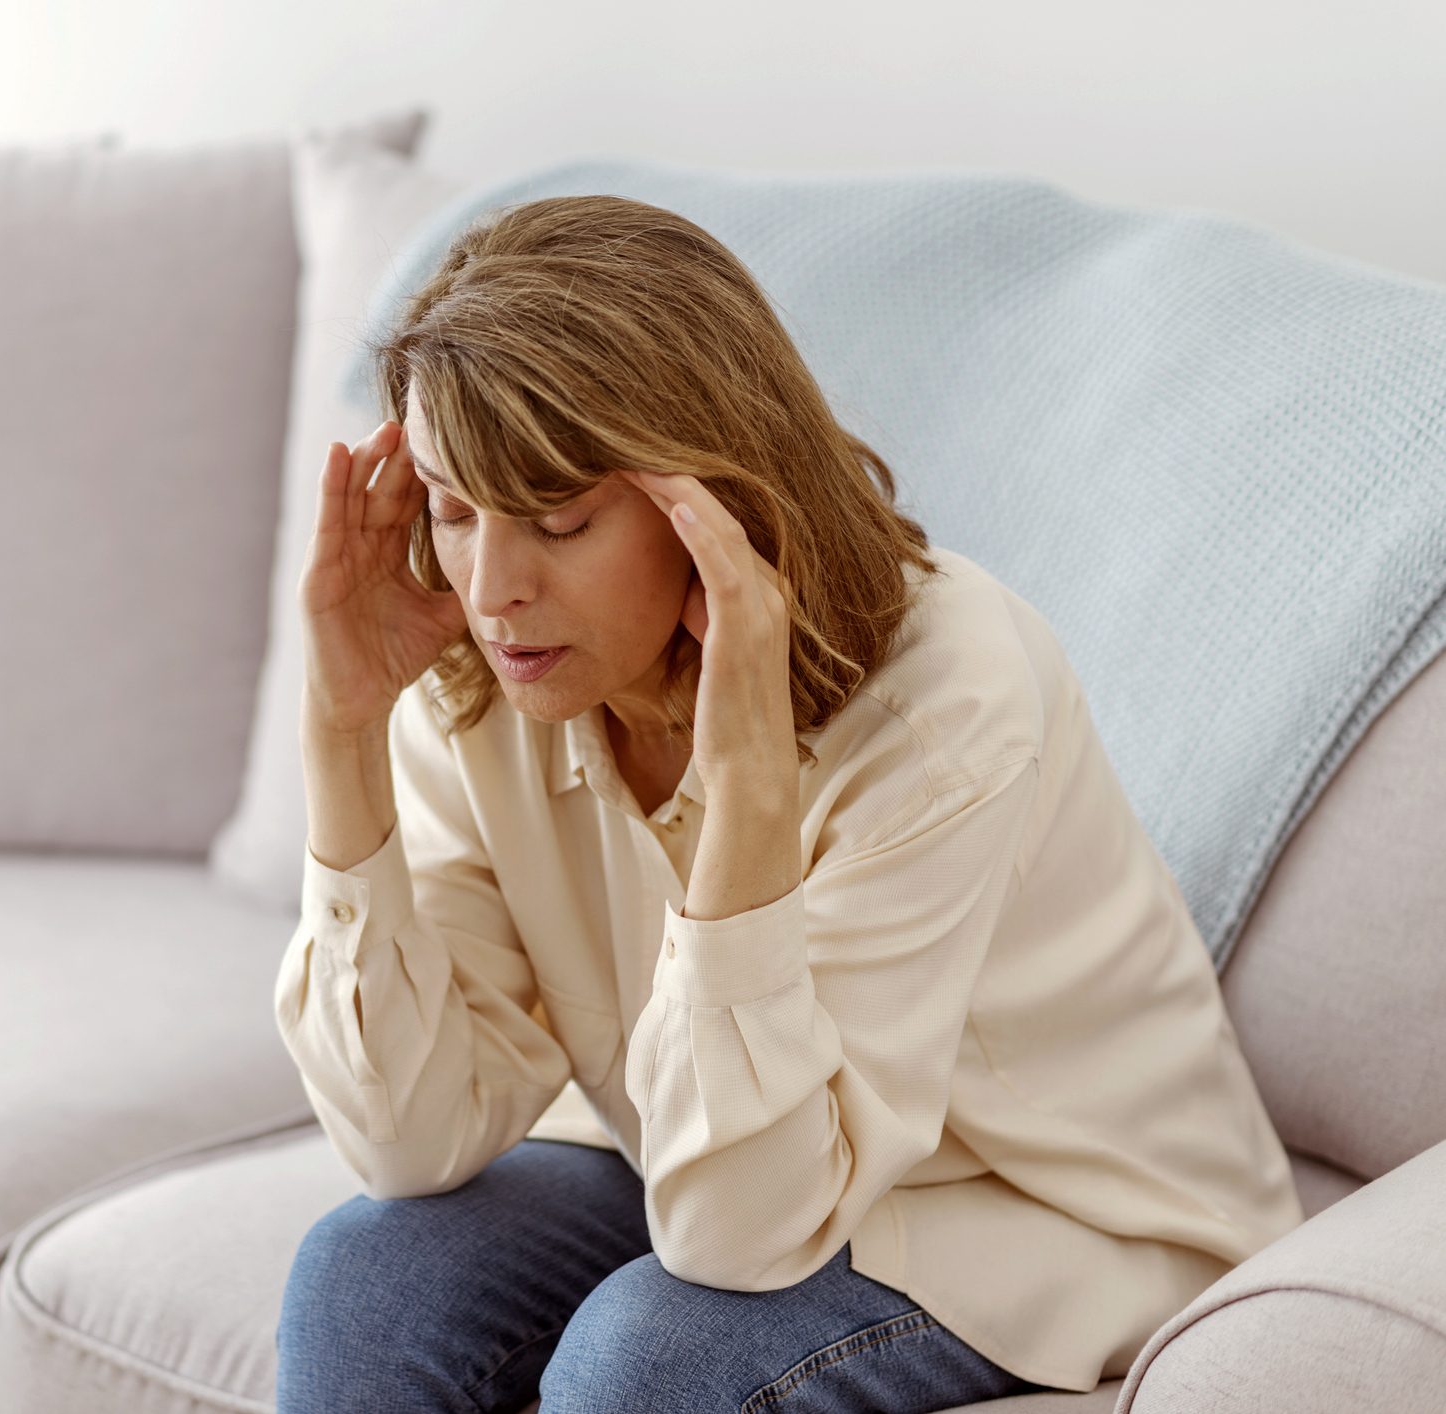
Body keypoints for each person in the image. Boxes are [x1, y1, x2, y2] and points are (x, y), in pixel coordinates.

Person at [272, 194, 1305, 1413]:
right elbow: (408, 1140)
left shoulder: (947, 693)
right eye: (453, 511)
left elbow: (732, 1240)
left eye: (557, 520)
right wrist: (343, 737)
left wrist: (750, 793)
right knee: (366, 1279)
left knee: (646, 1363)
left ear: (708, 497)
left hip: (1033, 1208)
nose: (493, 589)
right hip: (705, 1148)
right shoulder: (495, 678)